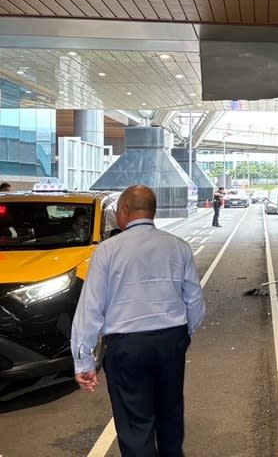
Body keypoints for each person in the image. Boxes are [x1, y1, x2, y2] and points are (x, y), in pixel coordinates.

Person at [71, 185, 206, 457]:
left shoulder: (107, 251)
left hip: (126, 346)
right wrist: (183, 336)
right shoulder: (178, 247)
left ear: (123, 211)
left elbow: (91, 308)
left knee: (135, 423)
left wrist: (84, 361)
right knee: (170, 411)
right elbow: (195, 301)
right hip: (170, 340)